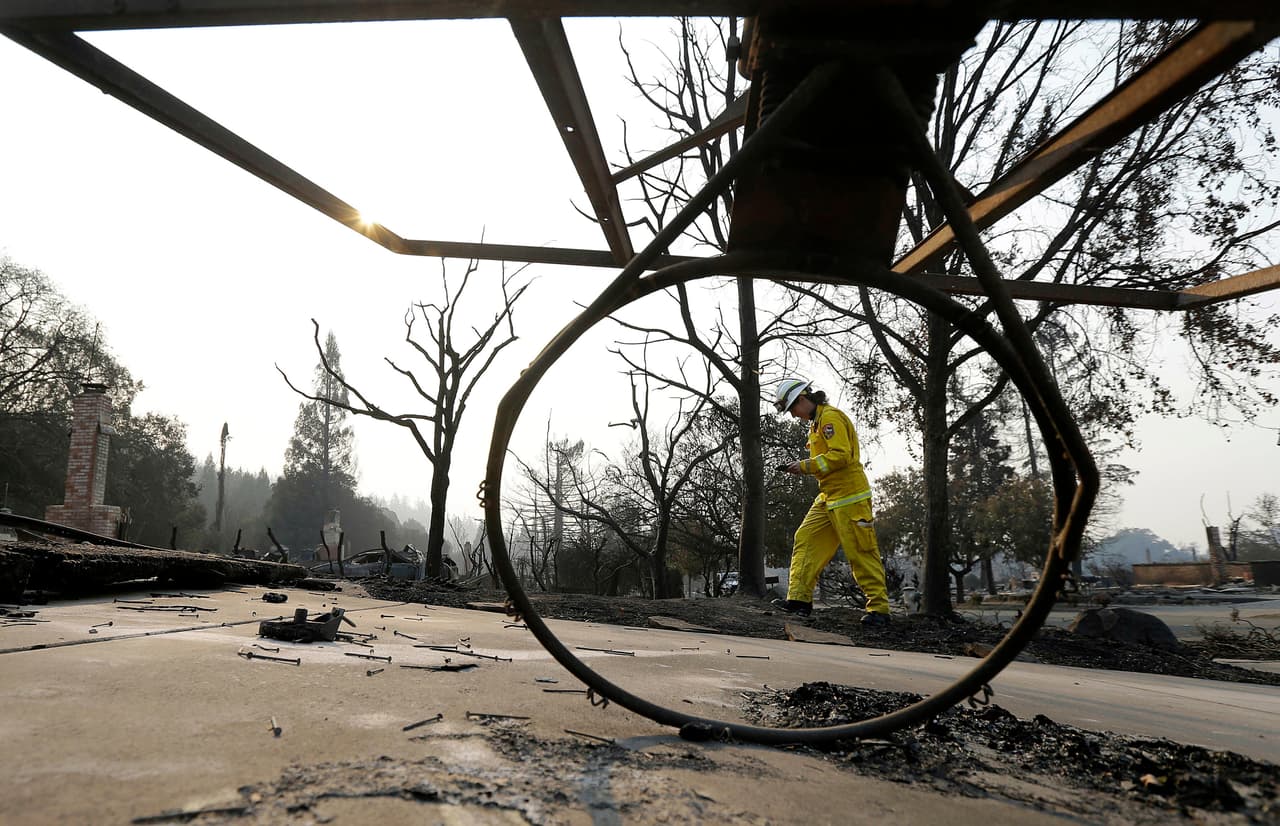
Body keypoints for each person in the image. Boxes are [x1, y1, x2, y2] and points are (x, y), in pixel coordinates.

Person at [772, 377, 890, 627]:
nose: (794, 415)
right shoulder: (816, 423)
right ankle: (799, 601)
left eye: (793, 408)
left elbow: (840, 455)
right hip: (828, 497)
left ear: (802, 400)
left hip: (850, 497)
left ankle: (879, 609)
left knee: (860, 551)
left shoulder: (830, 419)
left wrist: (804, 466)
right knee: (805, 539)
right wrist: (806, 466)